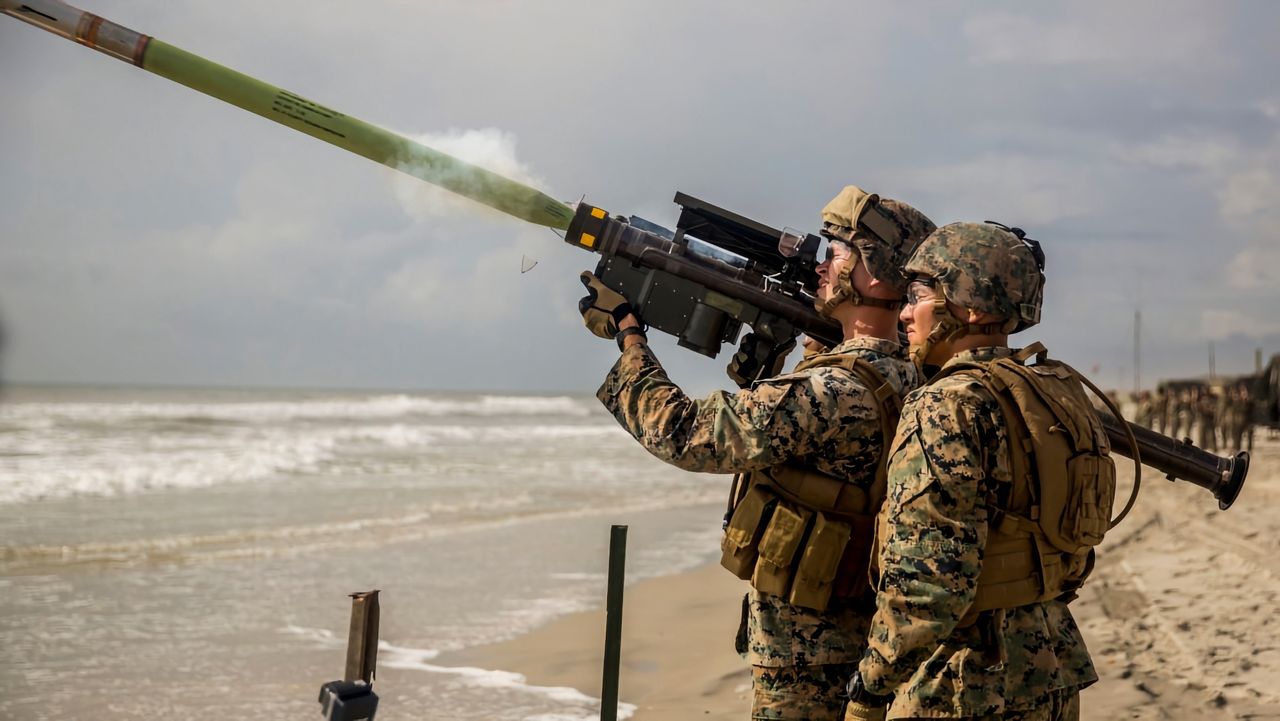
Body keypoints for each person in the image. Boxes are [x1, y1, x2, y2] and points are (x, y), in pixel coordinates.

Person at [578, 186, 935, 720]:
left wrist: (628, 336)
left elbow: (685, 434)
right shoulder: (916, 376)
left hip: (807, 660)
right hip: (864, 644)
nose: (821, 265)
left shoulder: (831, 392)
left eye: (838, 254)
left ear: (877, 277)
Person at [847, 222, 1107, 720]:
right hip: (1050, 668)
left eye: (919, 294)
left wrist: (871, 687)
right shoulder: (1054, 391)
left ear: (970, 306)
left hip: (961, 684)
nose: (904, 312)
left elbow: (928, 582)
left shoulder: (947, 404)